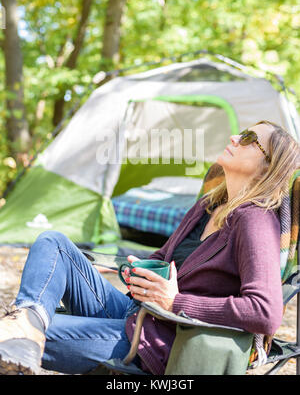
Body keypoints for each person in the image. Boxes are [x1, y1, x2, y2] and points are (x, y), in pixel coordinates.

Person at [0, 120, 299, 375]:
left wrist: (176, 302)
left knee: (9, 338)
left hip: (158, 339)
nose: (235, 137)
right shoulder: (210, 205)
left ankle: (22, 329)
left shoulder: (254, 221)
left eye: (249, 139)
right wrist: (136, 270)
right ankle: (28, 318)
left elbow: (265, 311)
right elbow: (163, 257)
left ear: (267, 167)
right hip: (138, 310)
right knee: (53, 242)